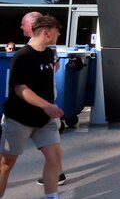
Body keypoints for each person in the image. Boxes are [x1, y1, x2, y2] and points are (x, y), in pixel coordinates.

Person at [0, 15, 65, 199]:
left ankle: (51, 197)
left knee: (54, 159)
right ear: (46, 32)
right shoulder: (22, 57)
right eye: (56, 31)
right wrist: (46, 105)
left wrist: (49, 106)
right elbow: (21, 89)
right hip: (19, 119)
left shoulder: (49, 53)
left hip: (45, 120)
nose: (58, 34)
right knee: (6, 163)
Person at [20, 12, 67, 187]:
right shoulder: (37, 48)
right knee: (51, 143)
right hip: (41, 103)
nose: (21, 27)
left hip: (39, 104)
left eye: (23, 23)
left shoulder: (43, 48)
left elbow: (53, 67)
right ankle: (57, 173)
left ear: (33, 26)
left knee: (51, 143)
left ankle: (57, 174)